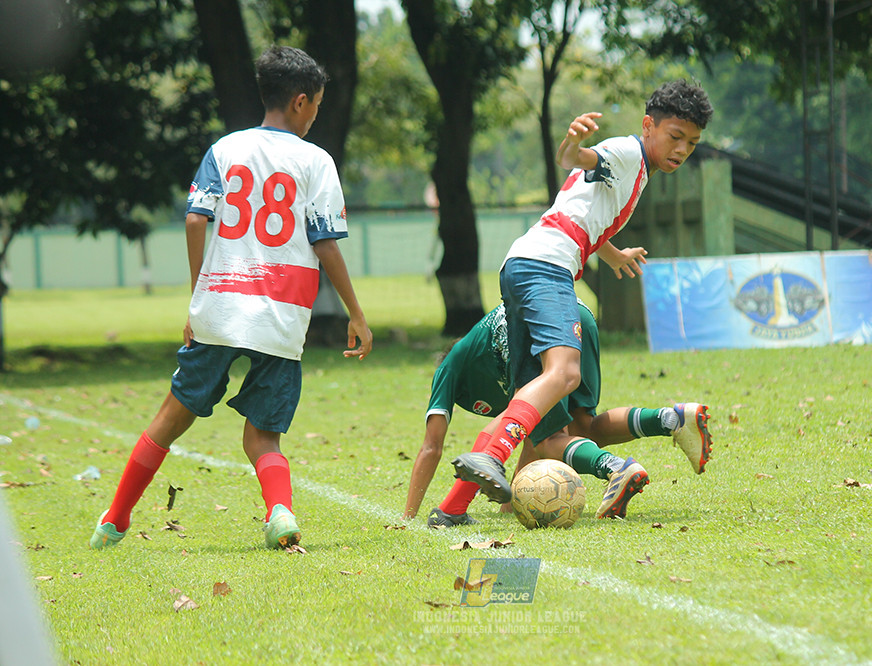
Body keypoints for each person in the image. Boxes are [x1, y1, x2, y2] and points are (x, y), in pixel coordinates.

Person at [89, 45, 373, 551]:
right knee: (262, 436)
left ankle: (115, 519)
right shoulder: (316, 161)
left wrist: (199, 294)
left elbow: (195, 219)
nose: (315, 116)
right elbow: (325, 243)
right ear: (302, 101)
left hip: (219, 309)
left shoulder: (224, 149)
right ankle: (280, 511)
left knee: (168, 422)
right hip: (282, 316)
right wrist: (356, 313)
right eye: (317, 106)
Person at [448, 80, 715, 508]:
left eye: (692, 143)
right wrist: (572, 142)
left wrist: (612, 254)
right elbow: (574, 159)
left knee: (550, 416)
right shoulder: (627, 153)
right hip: (545, 266)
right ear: (648, 126)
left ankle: (469, 507)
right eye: (675, 136)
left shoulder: (638, 170)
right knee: (565, 374)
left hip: (525, 264)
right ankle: (492, 456)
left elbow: (581, 217)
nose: (682, 149)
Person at [403, 302, 713, 527]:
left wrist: (408, 517)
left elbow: (432, 446)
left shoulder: (449, 367)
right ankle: (671, 419)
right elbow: (524, 432)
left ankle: (616, 468)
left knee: (549, 440)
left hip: (531, 330)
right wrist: (511, 505)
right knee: (584, 429)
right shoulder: (479, 356)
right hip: (577, 314)